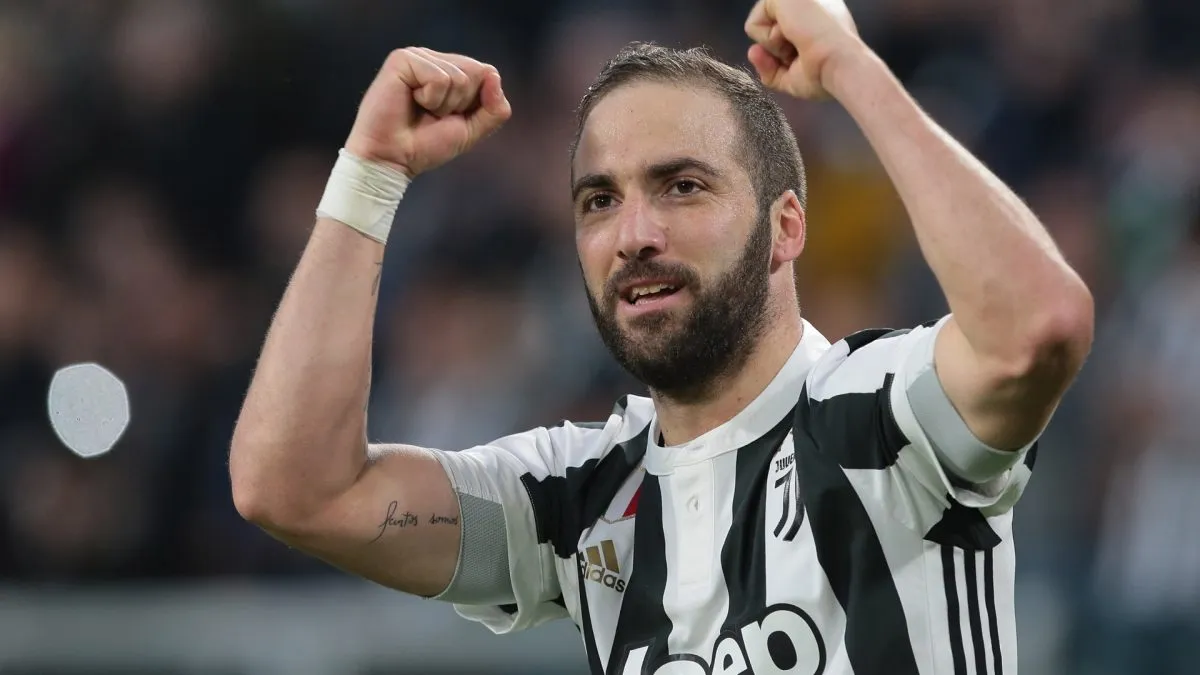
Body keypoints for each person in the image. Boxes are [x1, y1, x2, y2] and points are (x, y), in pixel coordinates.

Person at [229, 1, 1094, 673]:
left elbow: (1038, 326)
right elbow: (296, 488)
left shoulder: (880, 414)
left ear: (786, 227)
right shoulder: (577, 499)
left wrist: (853, 70)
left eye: (682, 186)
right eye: (599, 200)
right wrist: (370, 176)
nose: (633, 234)